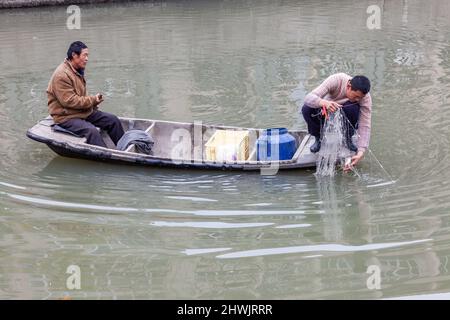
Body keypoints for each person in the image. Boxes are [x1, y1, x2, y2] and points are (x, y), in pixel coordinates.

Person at [47, 41, 124, 148]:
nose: (87, 59)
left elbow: (81, 94)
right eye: (85, 55)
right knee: (92, 131)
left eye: (87, 55)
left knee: (113, 120)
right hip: (66, 117)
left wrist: (93, 103)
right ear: (74, 55)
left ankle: (125, 149)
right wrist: (92, 100)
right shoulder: (61, 75)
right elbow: (70, 101)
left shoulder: (77, 70)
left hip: (81, 112)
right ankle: (105, 156)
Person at [301, 73, 372, 169]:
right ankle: (318, 138)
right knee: (307, 108)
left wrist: (361, 151)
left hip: (346, 112)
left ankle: (348, 138)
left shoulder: (365, 98)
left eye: (360, 98)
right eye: (356, 96)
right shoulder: (336, 80)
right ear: (348, 86)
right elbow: (308, 98)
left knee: (354, 107)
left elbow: (365, 124)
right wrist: (324, 103)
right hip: (325, 109)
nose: (358, 99)